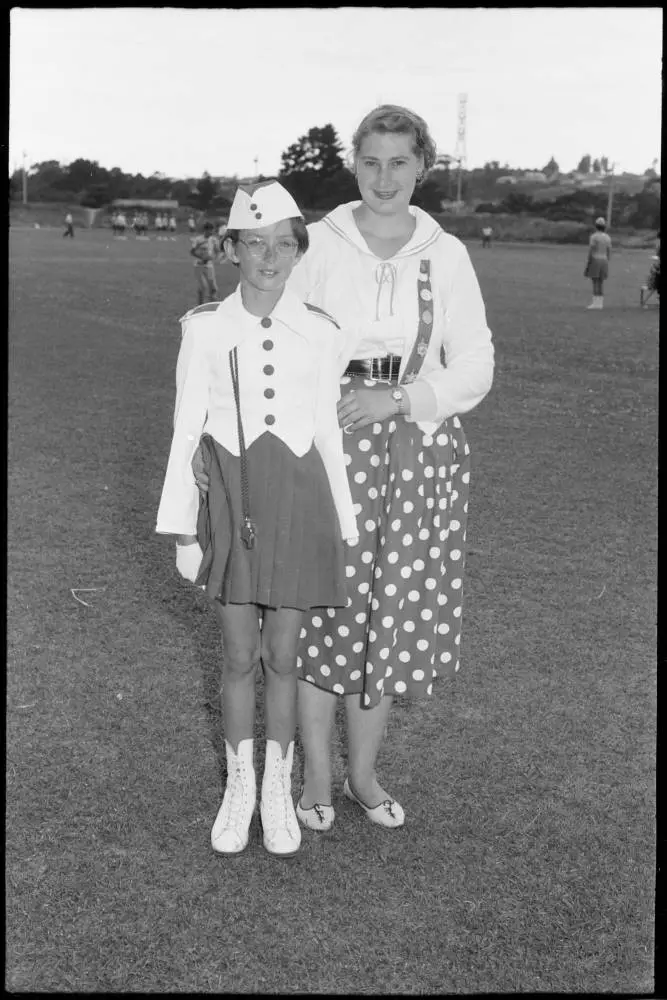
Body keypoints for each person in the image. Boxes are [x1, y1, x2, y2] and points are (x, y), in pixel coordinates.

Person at [283, 104, 495, 833]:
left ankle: (362, 775)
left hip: (414, 454)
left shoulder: (446, 252)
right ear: (354, 164)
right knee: (322, 616)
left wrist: (402, 399)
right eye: (370, 161)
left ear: (422, 168)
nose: (383, 177)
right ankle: (313, 776)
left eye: (398, 162)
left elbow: (475, 364)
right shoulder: (317, 243)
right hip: (328, 445)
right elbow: (279, 340)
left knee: (386, 620)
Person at [155, 181, 358, 858]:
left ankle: (278, 785)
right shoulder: (205, 327)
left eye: (282, 244)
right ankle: (238, 785)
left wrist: (347, 527)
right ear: (233, 249)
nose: (268, 256)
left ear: (298, 251)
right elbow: (187, 429)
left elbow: (327, 431)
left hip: (301, 503)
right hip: (234, 502)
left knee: (282, 656)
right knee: (238, 655)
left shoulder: (323, 331)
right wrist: (184, 528)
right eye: (254, 243)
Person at [584, 216, 612, 309]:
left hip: (595, 259)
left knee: (595, 281)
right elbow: (609, 250)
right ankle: (600, 303)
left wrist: (588, 260)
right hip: (604, 260)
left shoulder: (594, 237)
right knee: (600, 282)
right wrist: (607, 259)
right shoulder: (607, 237)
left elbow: (591, 249)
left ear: (596, 226)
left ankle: (595, 303)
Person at [190, 221, 221, 304]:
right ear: (205, 230)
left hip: (209, 266)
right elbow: (192, 252)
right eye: (210, 230)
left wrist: (213, 257)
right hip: (198, 266)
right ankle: (200, 306)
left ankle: (212, 306)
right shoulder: (198, 239)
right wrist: (202, 258)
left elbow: (218, 251)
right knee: (203, 287)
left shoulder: (214, 240)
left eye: (212, 230)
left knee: (213, 288)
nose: (212, 232)